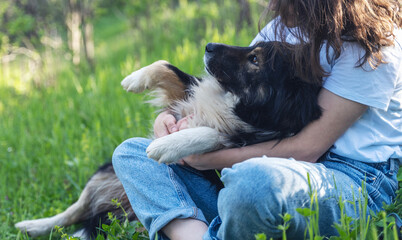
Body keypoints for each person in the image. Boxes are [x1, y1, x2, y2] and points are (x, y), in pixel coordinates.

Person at [112, 0, 402, 239]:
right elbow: (230, 98)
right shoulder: (281, 30)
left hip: (350, 181)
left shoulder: (372, 46)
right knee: (132, 154)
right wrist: (169, 119)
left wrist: (207, 160)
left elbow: (308, 149)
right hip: (267, 167)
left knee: (253, 183)